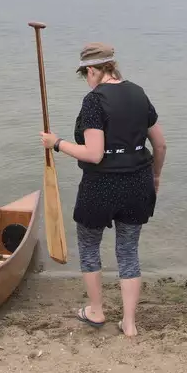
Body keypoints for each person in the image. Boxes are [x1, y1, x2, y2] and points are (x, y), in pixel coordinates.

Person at [40, 42, 165, 338]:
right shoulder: (138, 92)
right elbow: (159, 144)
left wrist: (56, 144)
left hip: (101, 185)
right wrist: (155, 178)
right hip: (138, 182)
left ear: (94, 70)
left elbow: (94, 154)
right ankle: (130, 323)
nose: (87, 79)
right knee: (128, 251)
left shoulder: (94, 101)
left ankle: (96, 310)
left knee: (88, 245)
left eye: (86, 73)